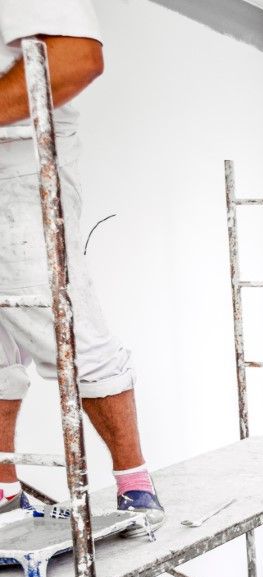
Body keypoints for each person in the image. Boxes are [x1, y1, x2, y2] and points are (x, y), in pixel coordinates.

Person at [0, 0, 164, 535]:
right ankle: (3, 490)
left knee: (66, 331)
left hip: (20, 170)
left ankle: (134, 484)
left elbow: (77, 58)